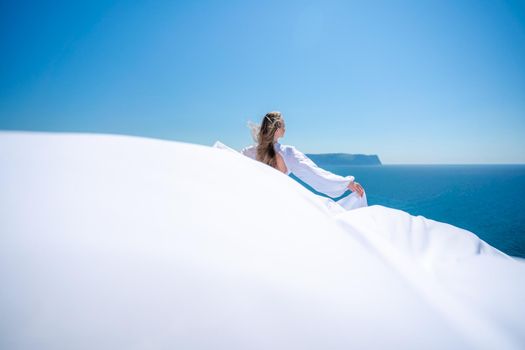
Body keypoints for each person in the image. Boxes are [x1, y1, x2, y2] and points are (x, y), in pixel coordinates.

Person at [240, 111, 367, 210]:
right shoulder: (287, 153)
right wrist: (346, 183)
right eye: (284, 125)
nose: (285, 129)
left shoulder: (248, 152)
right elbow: (315, 174)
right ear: (277, 129)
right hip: (279, 203)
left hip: (256, 204)